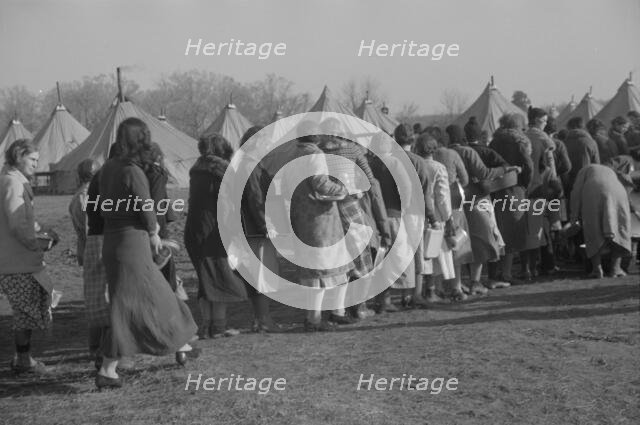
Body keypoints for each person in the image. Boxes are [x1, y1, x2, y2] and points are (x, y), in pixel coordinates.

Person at [97, 118, 197, 389]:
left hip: (113, 241)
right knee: (148, 300)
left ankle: (181, 343)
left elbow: (100, 205)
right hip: (133, 242)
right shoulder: (132, 171)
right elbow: (146, 208)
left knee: (141, 300)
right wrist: (155, 234)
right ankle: (108, 368)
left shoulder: (107, 168)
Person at [281, 123, 350, 331]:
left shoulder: (290, 156)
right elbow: (322, 184)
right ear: (316, 137)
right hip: (322, 220)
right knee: (323, 271)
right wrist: (344, 189)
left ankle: (328, 314)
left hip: (299, 217)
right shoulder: (316, 156)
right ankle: (317, 318)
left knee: (314, 271)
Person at [185, 133, 247, 339]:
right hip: (214, 230)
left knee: (206, 278)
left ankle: (207, 325)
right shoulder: (224, 172)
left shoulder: (196, 171)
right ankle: (218, 327)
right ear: (224, 150)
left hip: (194, 230)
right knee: (220, 276)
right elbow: (229, 206)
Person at [0, 139, 51, 374]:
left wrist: (37, 229)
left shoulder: (12, 180)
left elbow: (22, 219)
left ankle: (23, 358)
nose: (36, 164)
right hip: (16, 260)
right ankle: (23, 360)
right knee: (24, 312)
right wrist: (36, 242)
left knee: (25, 311)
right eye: (32, 159)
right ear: (19, 157)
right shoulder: (12, 182)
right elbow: (16, 223)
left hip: (16, 258)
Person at [237, 126, 281, 332]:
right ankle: (263, 319)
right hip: (255, 228)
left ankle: (260, 318)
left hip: (248, 227)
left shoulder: (244, 163)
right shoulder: (250, 165)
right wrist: (265, 225)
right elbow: (255, 199)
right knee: (263, 273)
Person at [490, 114, 535, 284]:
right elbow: (528, 165)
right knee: (513, 231)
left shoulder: (494, 141)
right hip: (514, 189)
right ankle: (507, 273)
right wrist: (525, 183)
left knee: (498, 230)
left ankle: (497, 273)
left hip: (496, 190)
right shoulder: (520, 142)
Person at [570, 158, 633, 278]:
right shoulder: (612, 172)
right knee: (619, 229)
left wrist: (574, 218)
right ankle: (615, 268)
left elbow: (576, 193)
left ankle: (596, 269)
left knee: (593, 230)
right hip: (618, 192)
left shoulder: (584, 170)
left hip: (593, 190)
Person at [143, 143, 180, 293]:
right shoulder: (156, 174)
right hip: (156, 228)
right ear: (158, 157)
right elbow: (157, 204)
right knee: (165, 270)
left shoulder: (140, 172)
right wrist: (157, 233)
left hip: (146, 224)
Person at [69, 159, 98, 267]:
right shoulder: (88, 195)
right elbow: (88, 227)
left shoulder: (79, 195)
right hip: (93, 250)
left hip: (83, 248)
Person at [564, 116, 600, 197]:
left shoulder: (564, 142)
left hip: (570, 181)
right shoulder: (591, 142)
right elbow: (597, 164)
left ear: (569, 128)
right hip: (587, 180)